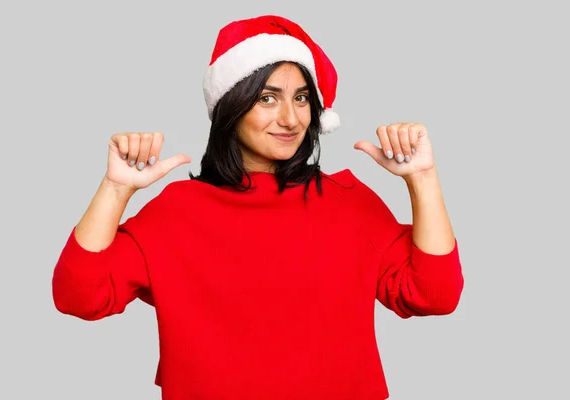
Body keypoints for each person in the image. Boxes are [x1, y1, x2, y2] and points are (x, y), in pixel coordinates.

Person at [52, 14, 464, 400]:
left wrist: (422, 179)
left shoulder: (350, 203)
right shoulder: (175, 212)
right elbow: (79, 297)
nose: (290, 118)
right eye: (268, 98)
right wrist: (115, 189)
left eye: (302, 98)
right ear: (232, 105)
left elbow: (435, 295)